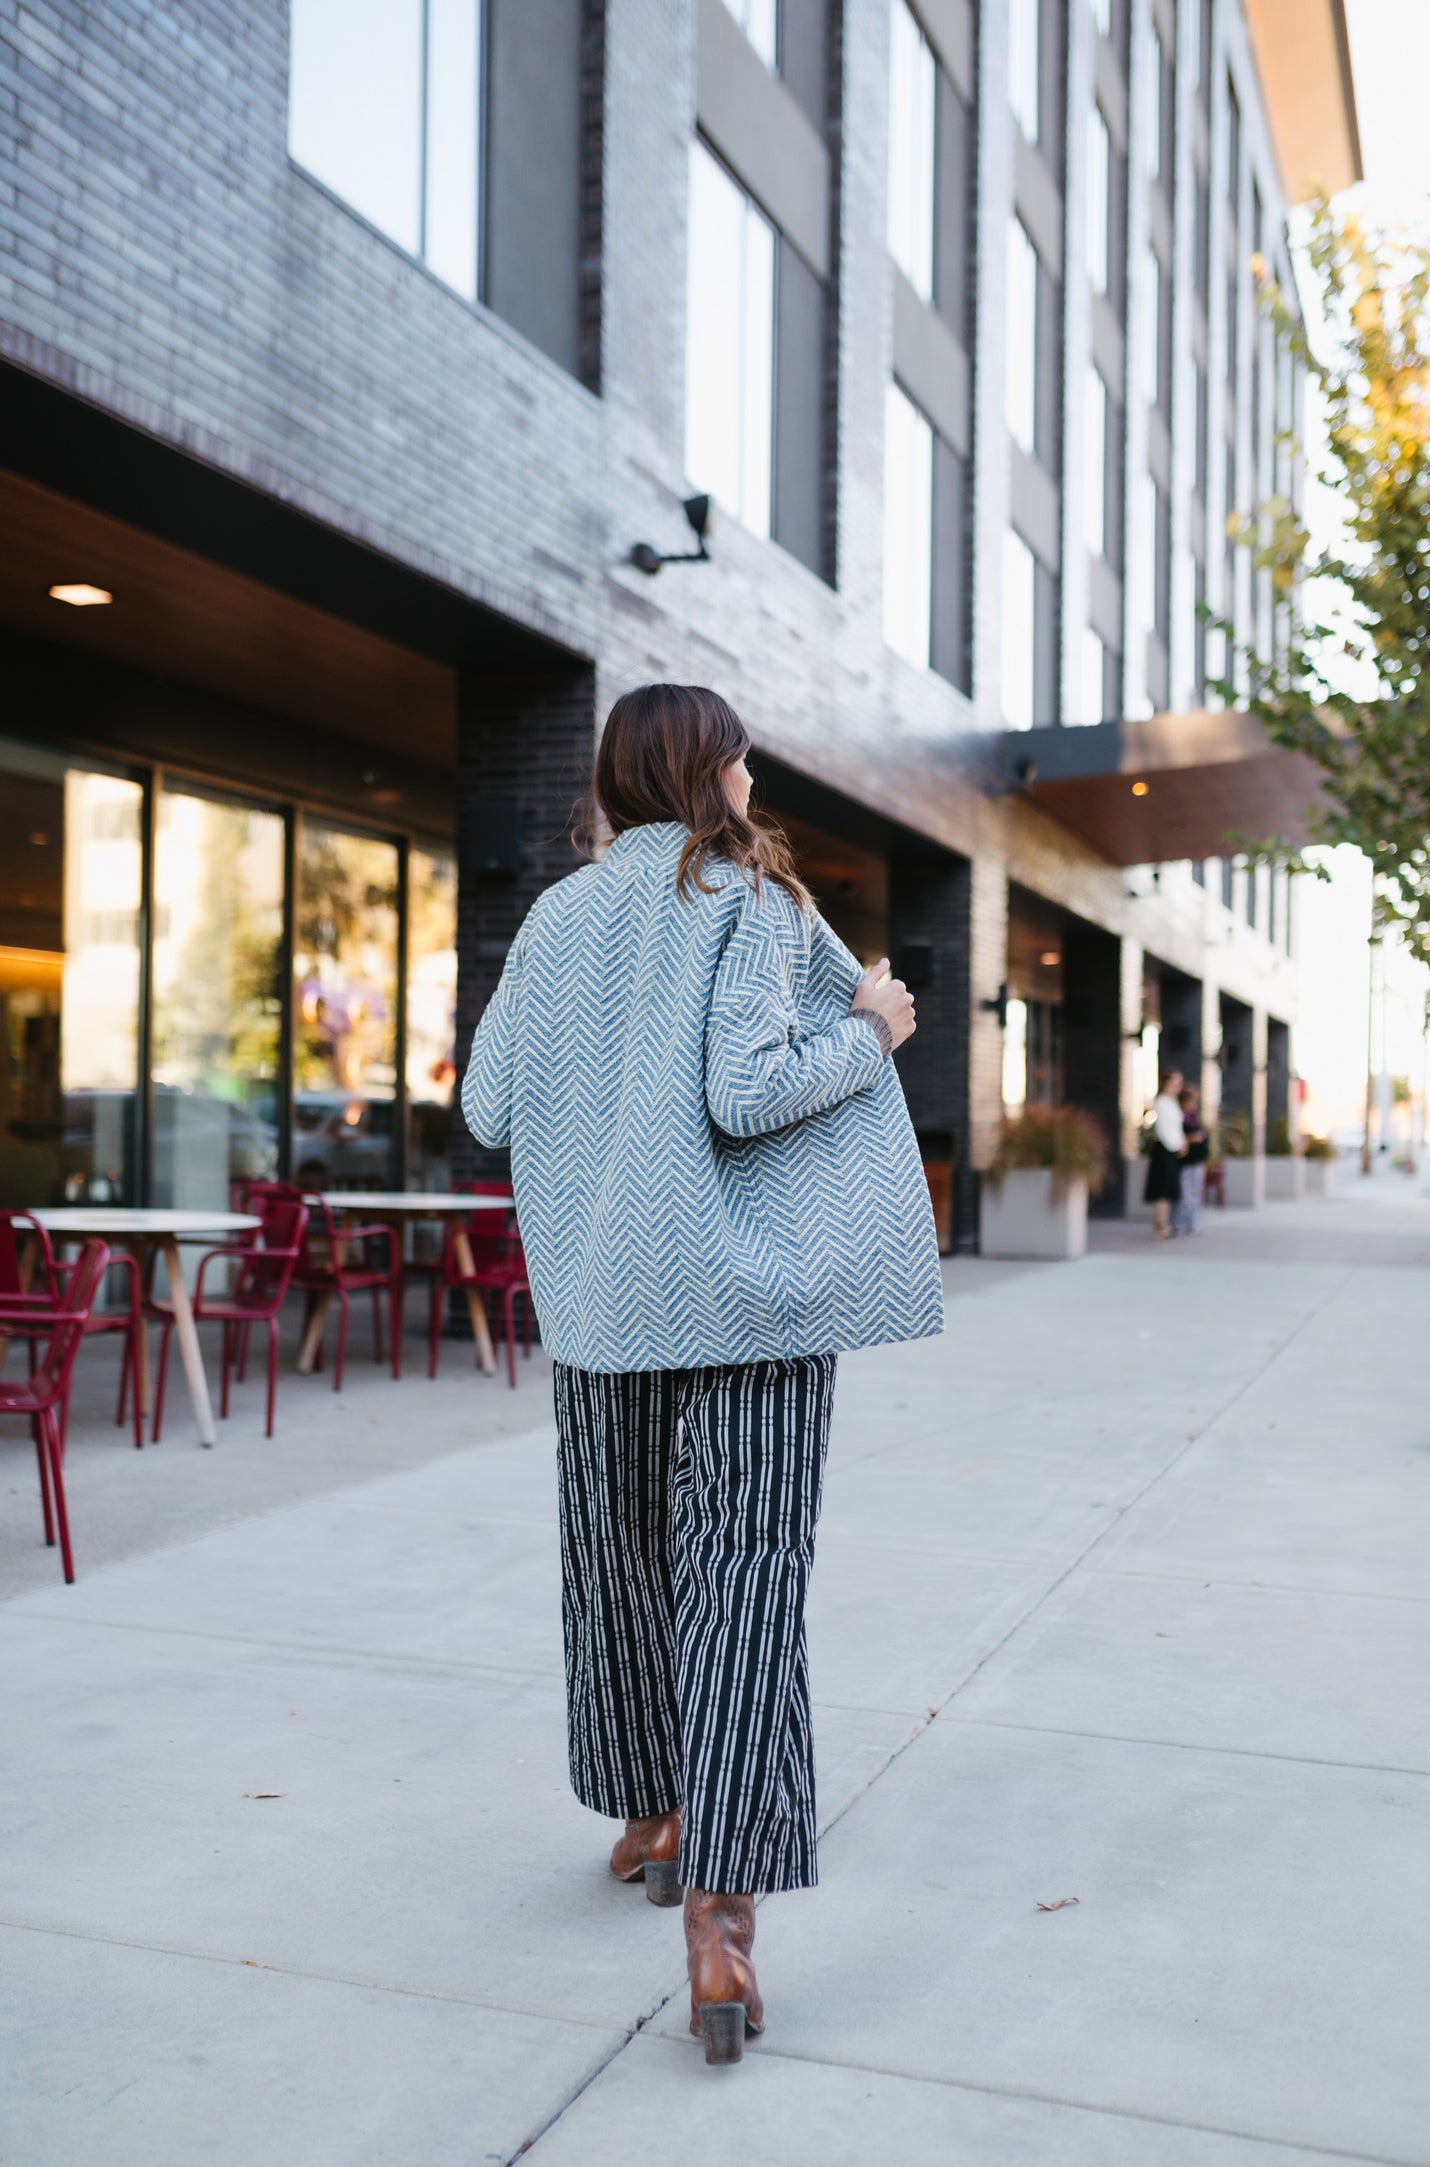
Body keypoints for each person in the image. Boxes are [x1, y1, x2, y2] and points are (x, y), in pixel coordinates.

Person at [461, 683, 943, 2064]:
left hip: (603, 1308)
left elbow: (488, 1106)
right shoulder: (746, 898)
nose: (750, 775)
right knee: (741, 1575)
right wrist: (874, 1031)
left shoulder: (554, 917)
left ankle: (652, 1817)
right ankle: (719, 1920)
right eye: (739, 755)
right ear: (707, 770)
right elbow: (748, 1090)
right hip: (741, 1305)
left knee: (617, 1562)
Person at [1144, 1067, 1186, 1238]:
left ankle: (1163, 1224)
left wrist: (1182, 1143)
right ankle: (1161, 1226)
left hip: (1173, 1149)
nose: (1178, 1087)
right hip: (1165, 1150)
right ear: (1167, 1084)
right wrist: (1177, 1145)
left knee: (1168, 1189)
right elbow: (1164, 1130)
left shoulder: (1172, 1103)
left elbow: (1176, 1128)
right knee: (1162, 1189)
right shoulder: (1161, 1102)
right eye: (1175, 1083)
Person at [1175, 1084, 1208, 1235]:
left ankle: (1193, 1225)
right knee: (1186, 1195)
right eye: (1189, 1102)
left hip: (1198, 1161)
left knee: (1196, 1194)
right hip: (1185, 1162)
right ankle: (1181, 1224)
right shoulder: (1178, 1119)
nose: (1192, 1105)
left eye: (1194, 1102)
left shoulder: (1195, 1119)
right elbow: (1176, 1139)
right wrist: (1190, 1139)